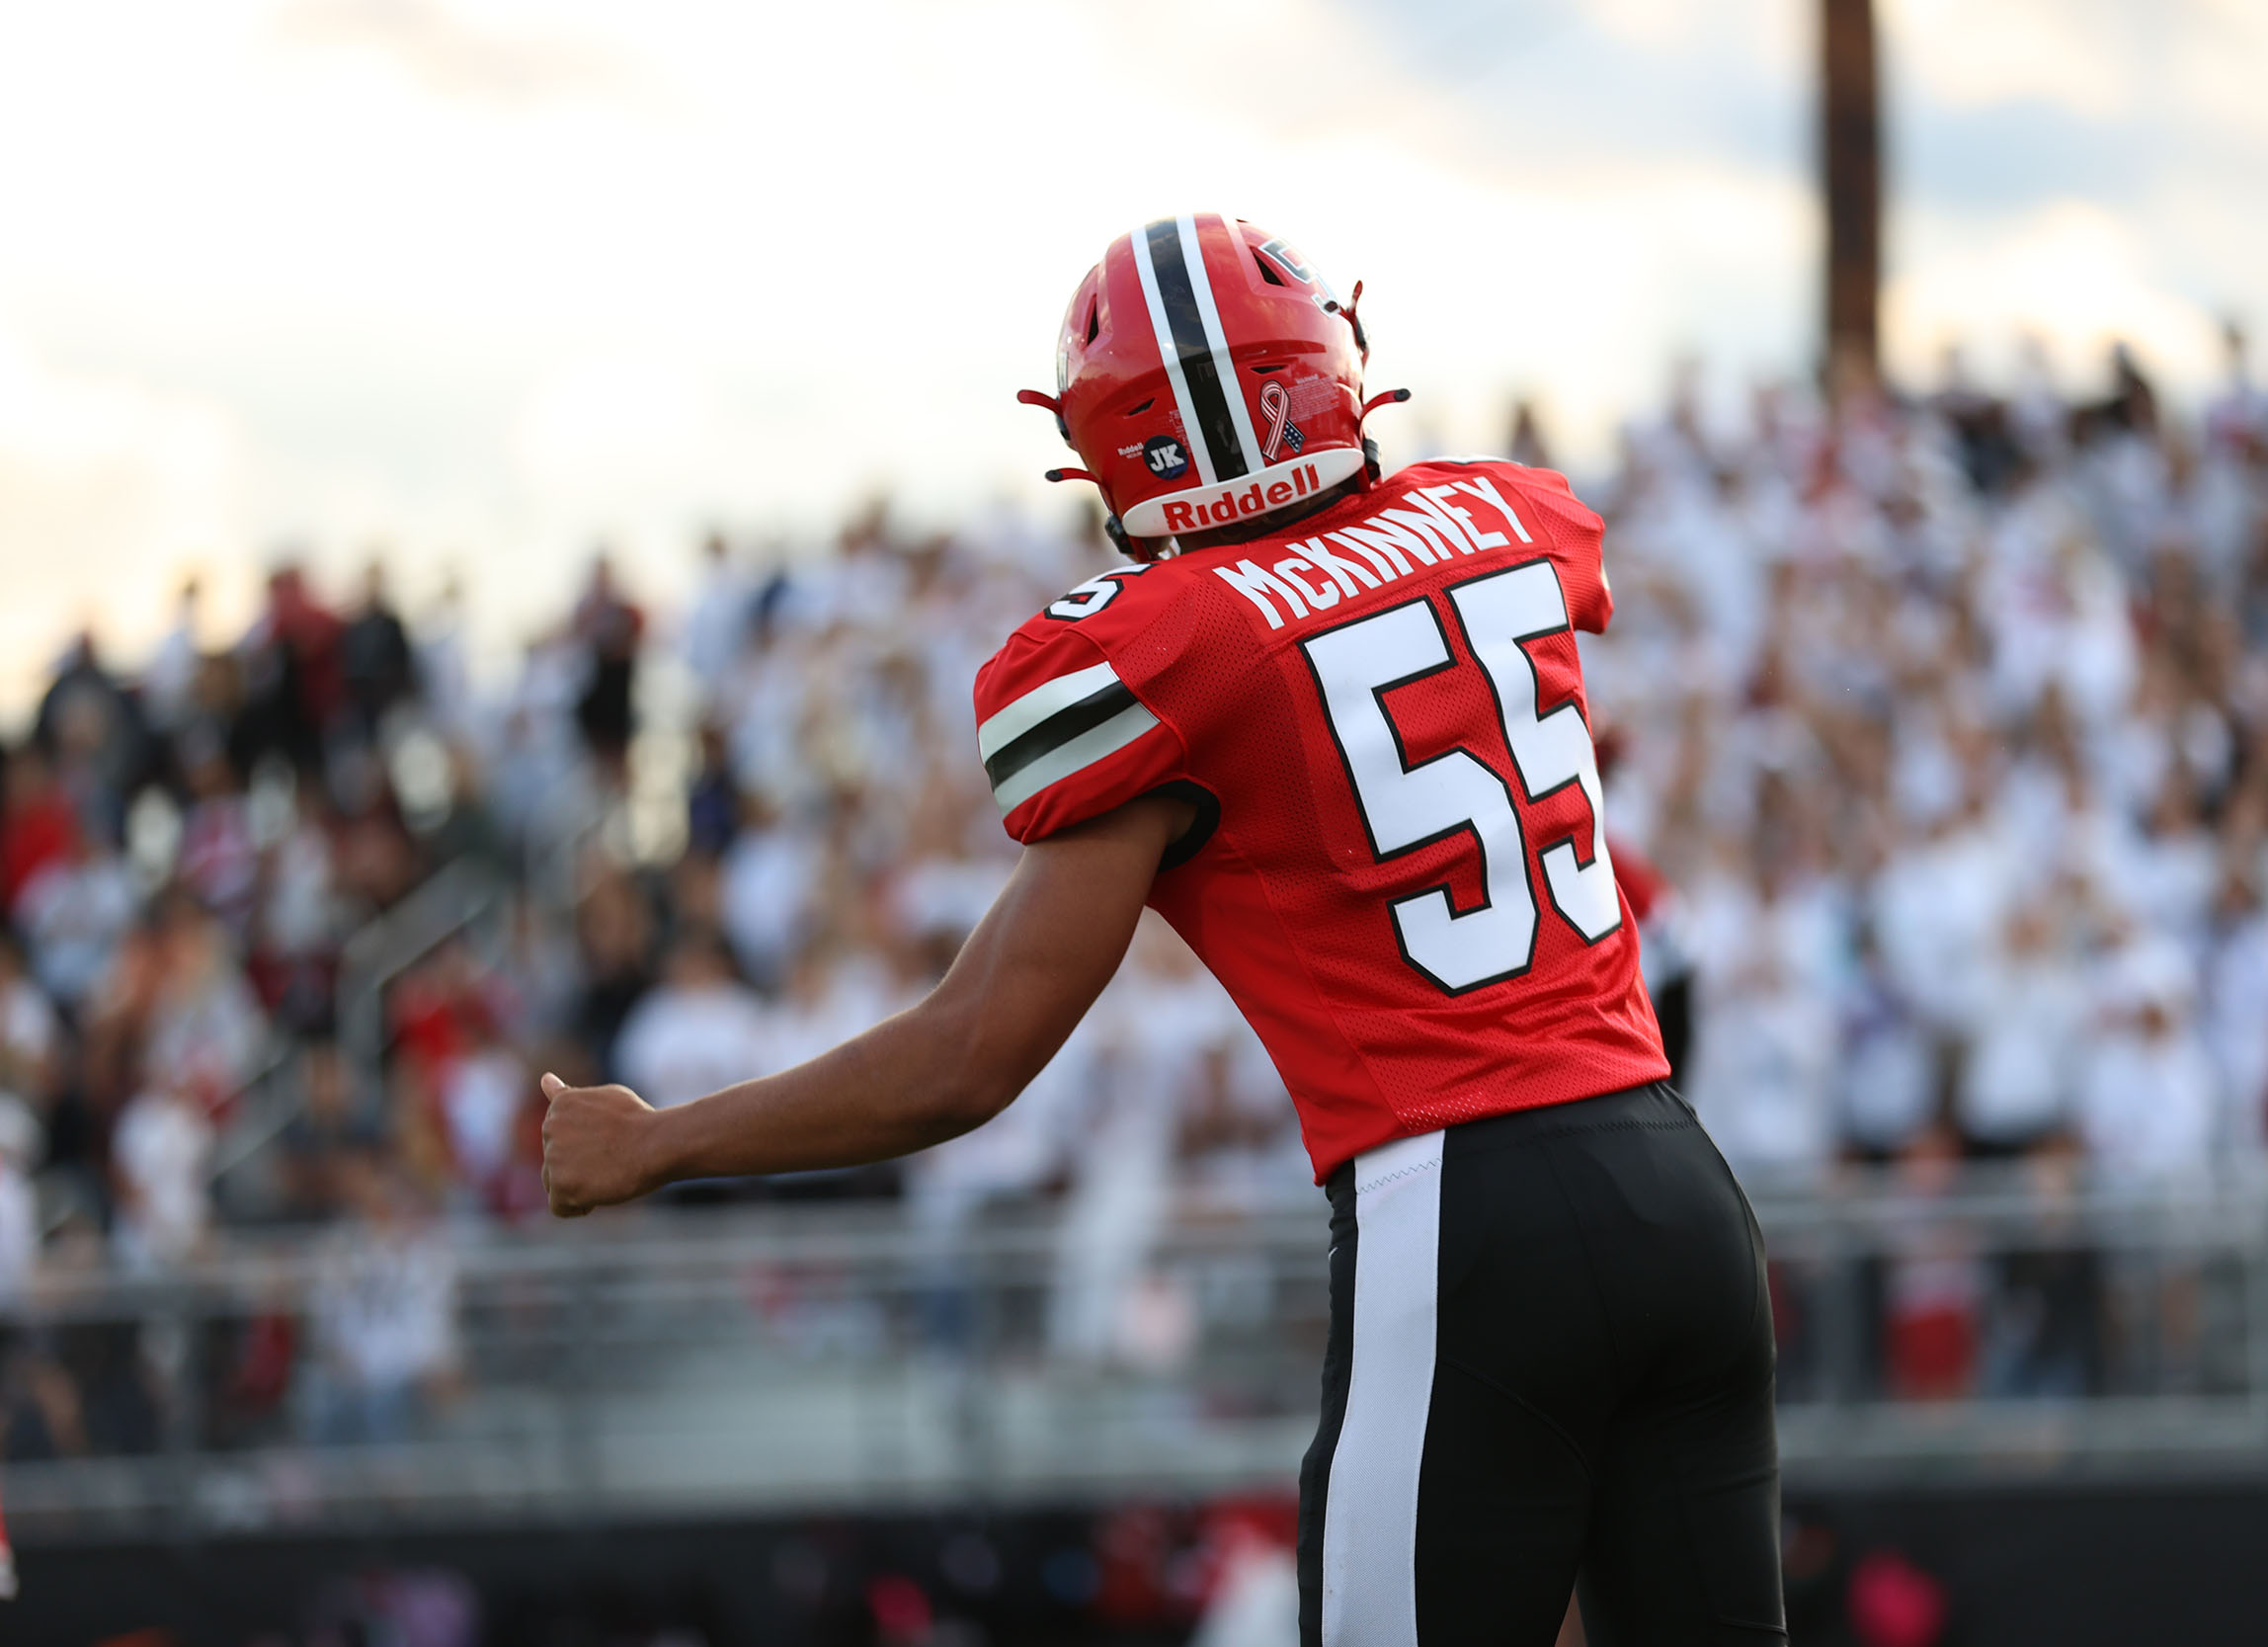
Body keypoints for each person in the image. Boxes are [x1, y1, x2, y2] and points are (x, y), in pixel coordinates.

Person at [538, 213, 1781, 1645]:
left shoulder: (1171, 646)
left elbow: (971, 1055)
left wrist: (663, 1142)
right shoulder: (1497, 517)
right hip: (1678, 1183)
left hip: (1465, 1208)